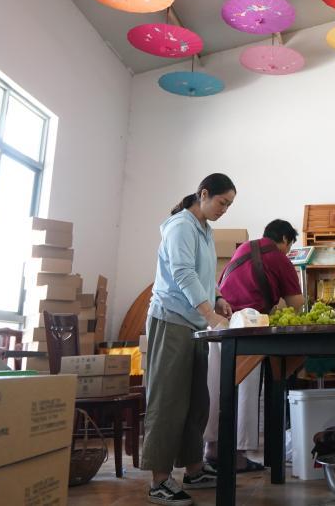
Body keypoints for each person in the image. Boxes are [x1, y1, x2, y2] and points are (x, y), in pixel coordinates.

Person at [142, 173, 236, 506]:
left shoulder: (205, 230)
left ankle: (194, 470)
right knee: (168, 401)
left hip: (193, 324)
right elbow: (182, 273)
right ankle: (159, 480)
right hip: (171, 320)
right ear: (204, 194)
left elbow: (203, 273)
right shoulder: (180, 226)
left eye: (229, 205)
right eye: (222, 202)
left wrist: (217, 296)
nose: (224, 209)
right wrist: (210, 314)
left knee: (197, 400)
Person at [203, 219, 305, 472]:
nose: (288, 251)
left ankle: (211, 447)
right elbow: (296, 303)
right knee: (246, 390)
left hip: (218, 322)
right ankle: (238, 453)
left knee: (216, 385)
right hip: (248, 324)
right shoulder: (279, 258)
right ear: (284, 239)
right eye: (289, 245)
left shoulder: (243, 248)